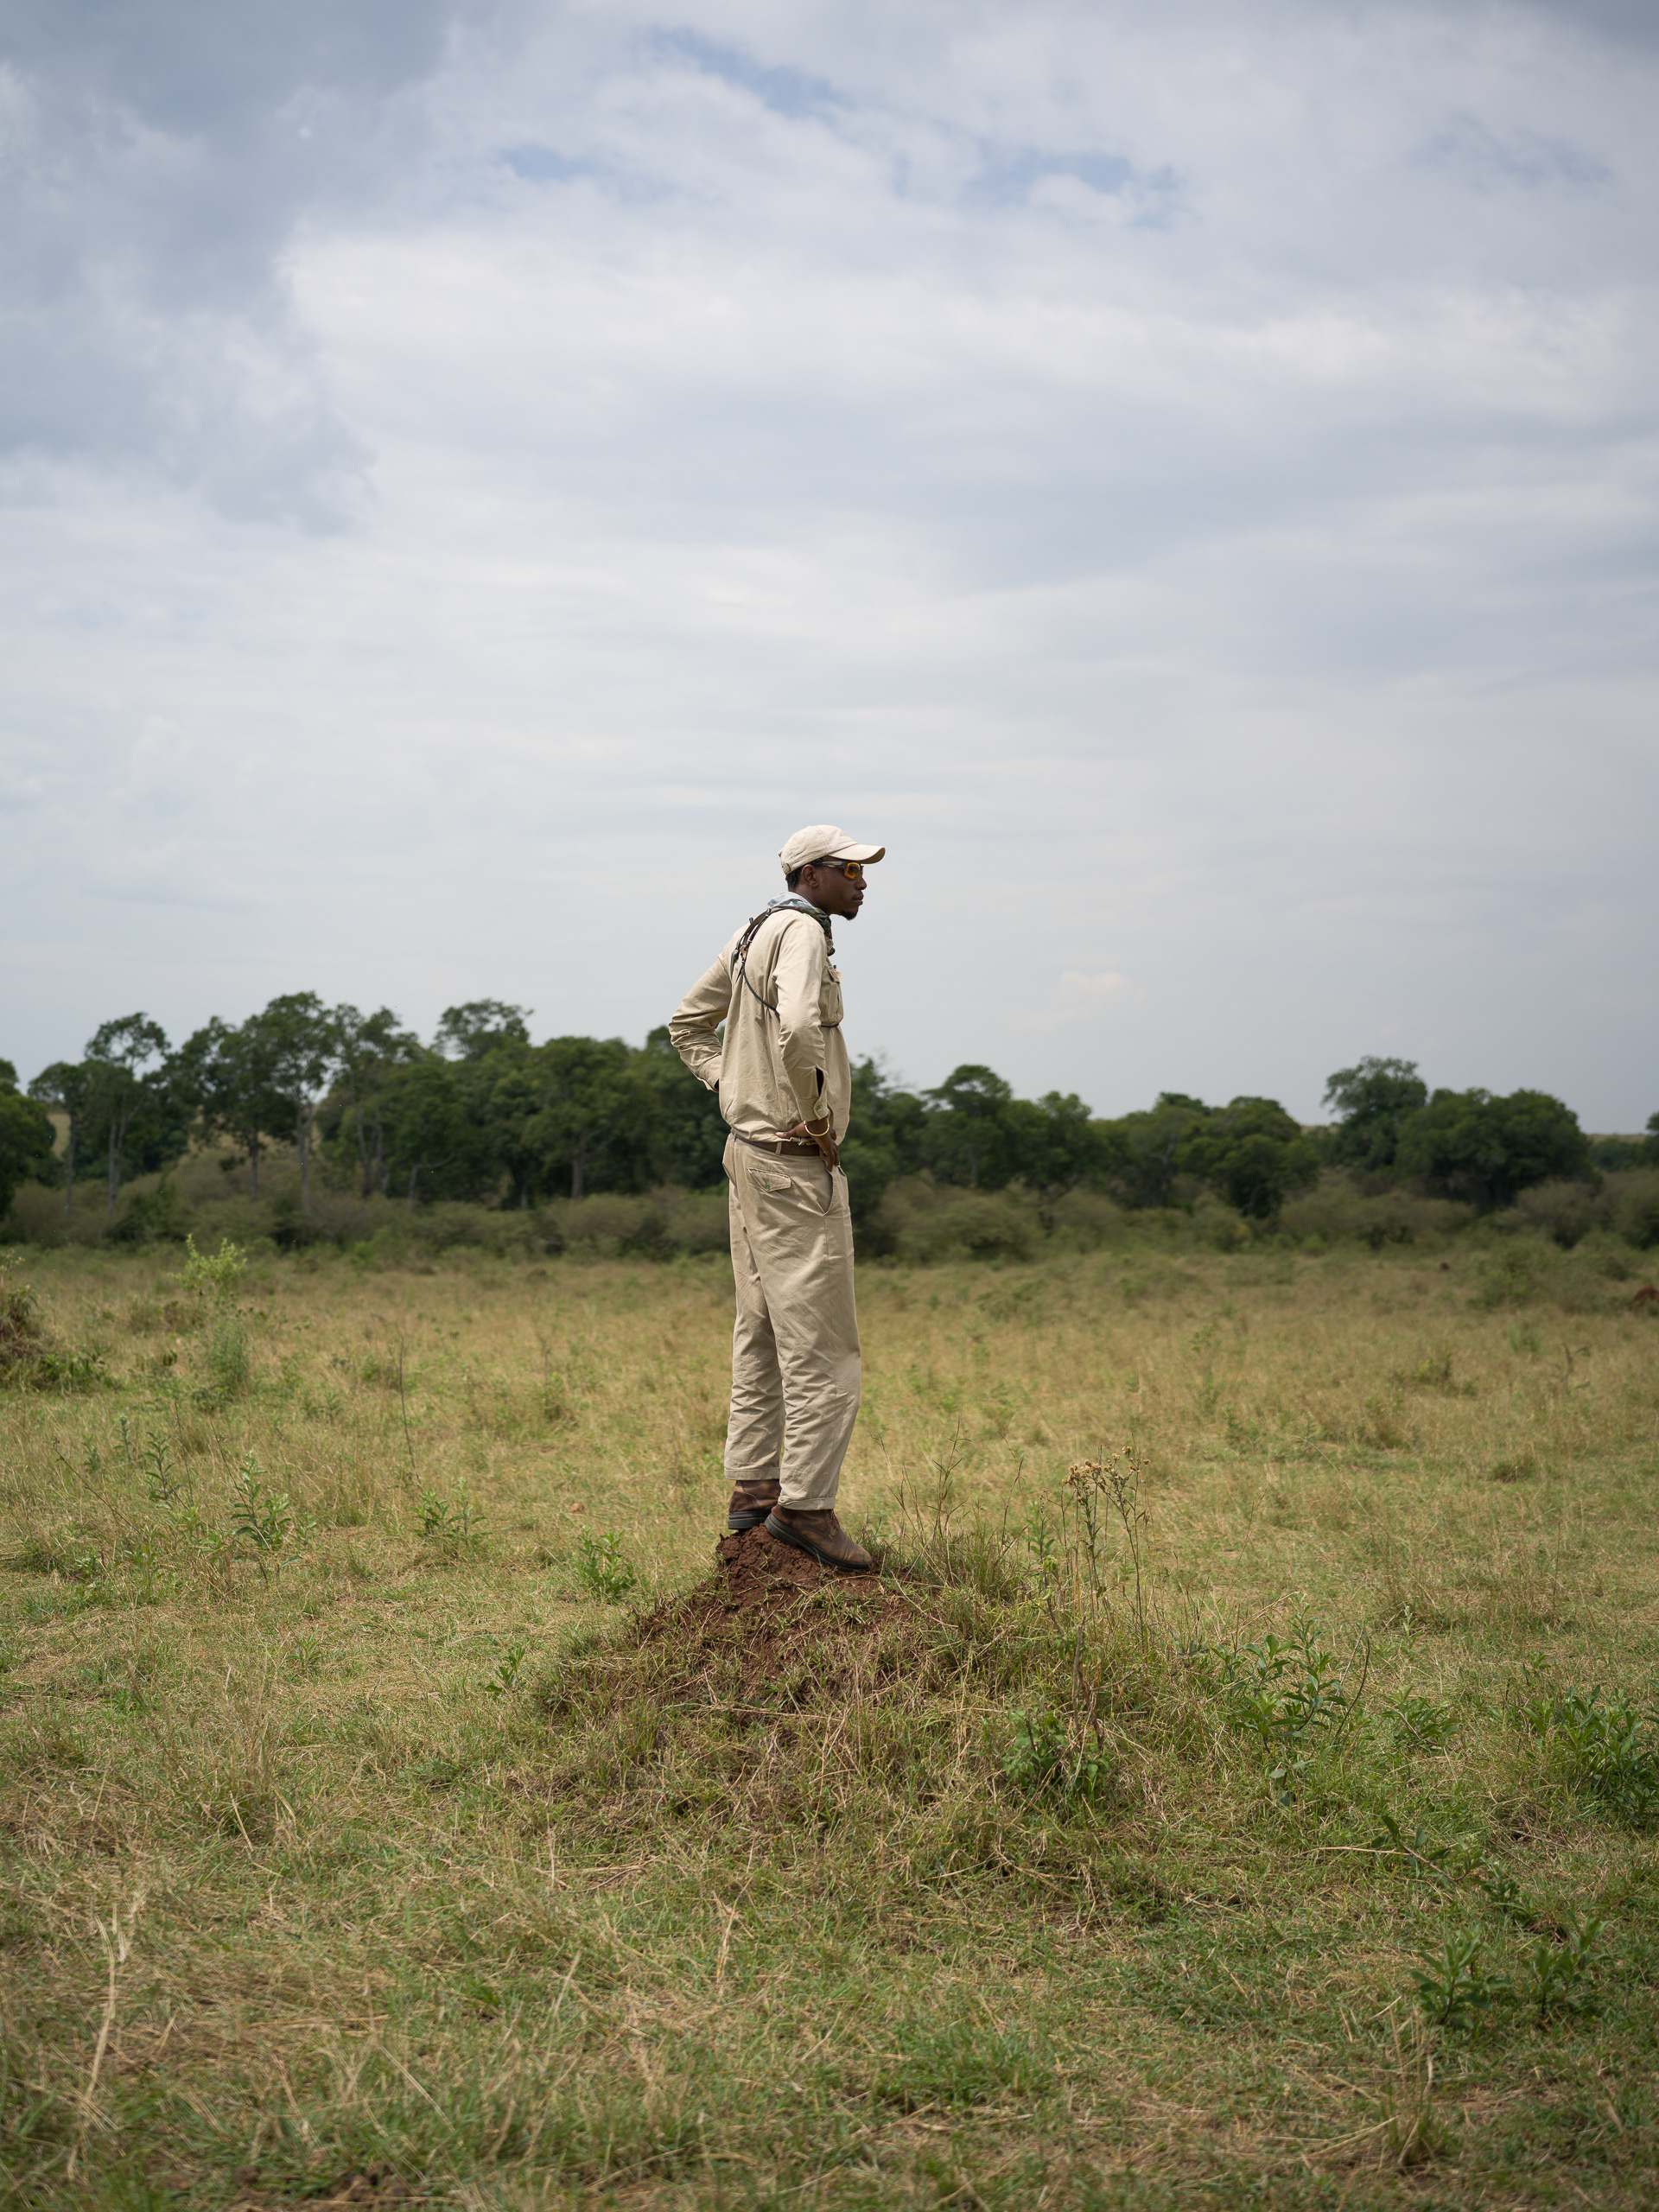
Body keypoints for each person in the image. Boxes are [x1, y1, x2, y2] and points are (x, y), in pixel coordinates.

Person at [669, 825, 885, 1573]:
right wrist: (815, 1116)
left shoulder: (751, 929)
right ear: (812, 873)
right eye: (850, 869)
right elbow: (797, 1027)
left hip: (747, 1156)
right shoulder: (799, 933)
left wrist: (730, 1086)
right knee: (827, 1348)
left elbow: (687, 1024)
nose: (862, 882)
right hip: (792, 1165)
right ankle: (807, 1507)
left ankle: (755, 1487)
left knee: (758, 1327)